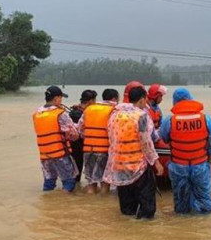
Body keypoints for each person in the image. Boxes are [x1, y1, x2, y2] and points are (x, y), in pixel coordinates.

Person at [102, 86, 164, 219]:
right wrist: (156, 162)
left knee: (126, 209)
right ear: (142, 100)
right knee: (147, 209)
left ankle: (128, 234)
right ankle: (143, 234)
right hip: (138, 167)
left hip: (119, 166)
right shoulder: (141, 116)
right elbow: (146, 142)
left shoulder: (114, 115)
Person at [160, 87, 211, 214]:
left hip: (178, 167)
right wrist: (210, 160)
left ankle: (183, 227)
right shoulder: (205, 119)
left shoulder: (169, 120)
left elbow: (164, 138)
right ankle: (204, 224)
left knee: (181, 202)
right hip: (200, 165)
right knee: (204, 199)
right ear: (189, 99)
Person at [32, 86, 79, 192]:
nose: (61, 100)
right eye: (61, 98)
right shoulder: (61, 114)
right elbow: (74, 134)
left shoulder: (36, 113)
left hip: (44, 154)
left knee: (49, 181)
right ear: (56, 98)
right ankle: (65, 204)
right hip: (60, 154)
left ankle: (48, 203)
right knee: (68, 181)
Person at [78, 89, 119, 194]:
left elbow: (79, 129)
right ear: (114, 99)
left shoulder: (89, 109)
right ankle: (102, 207)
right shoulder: (114, 110)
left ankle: (90, 206)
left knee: (91, 184)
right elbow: (116, 131)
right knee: (105, 184)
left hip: (88, 150)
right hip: (104, 151)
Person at [69, 89, 97, 182]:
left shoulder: (72, 112)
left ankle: (74, 189)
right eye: (95, 100)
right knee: (90, 173)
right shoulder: (87, 113)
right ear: (91, 101)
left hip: (71, 145)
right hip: (83, 145)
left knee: (75, 171)